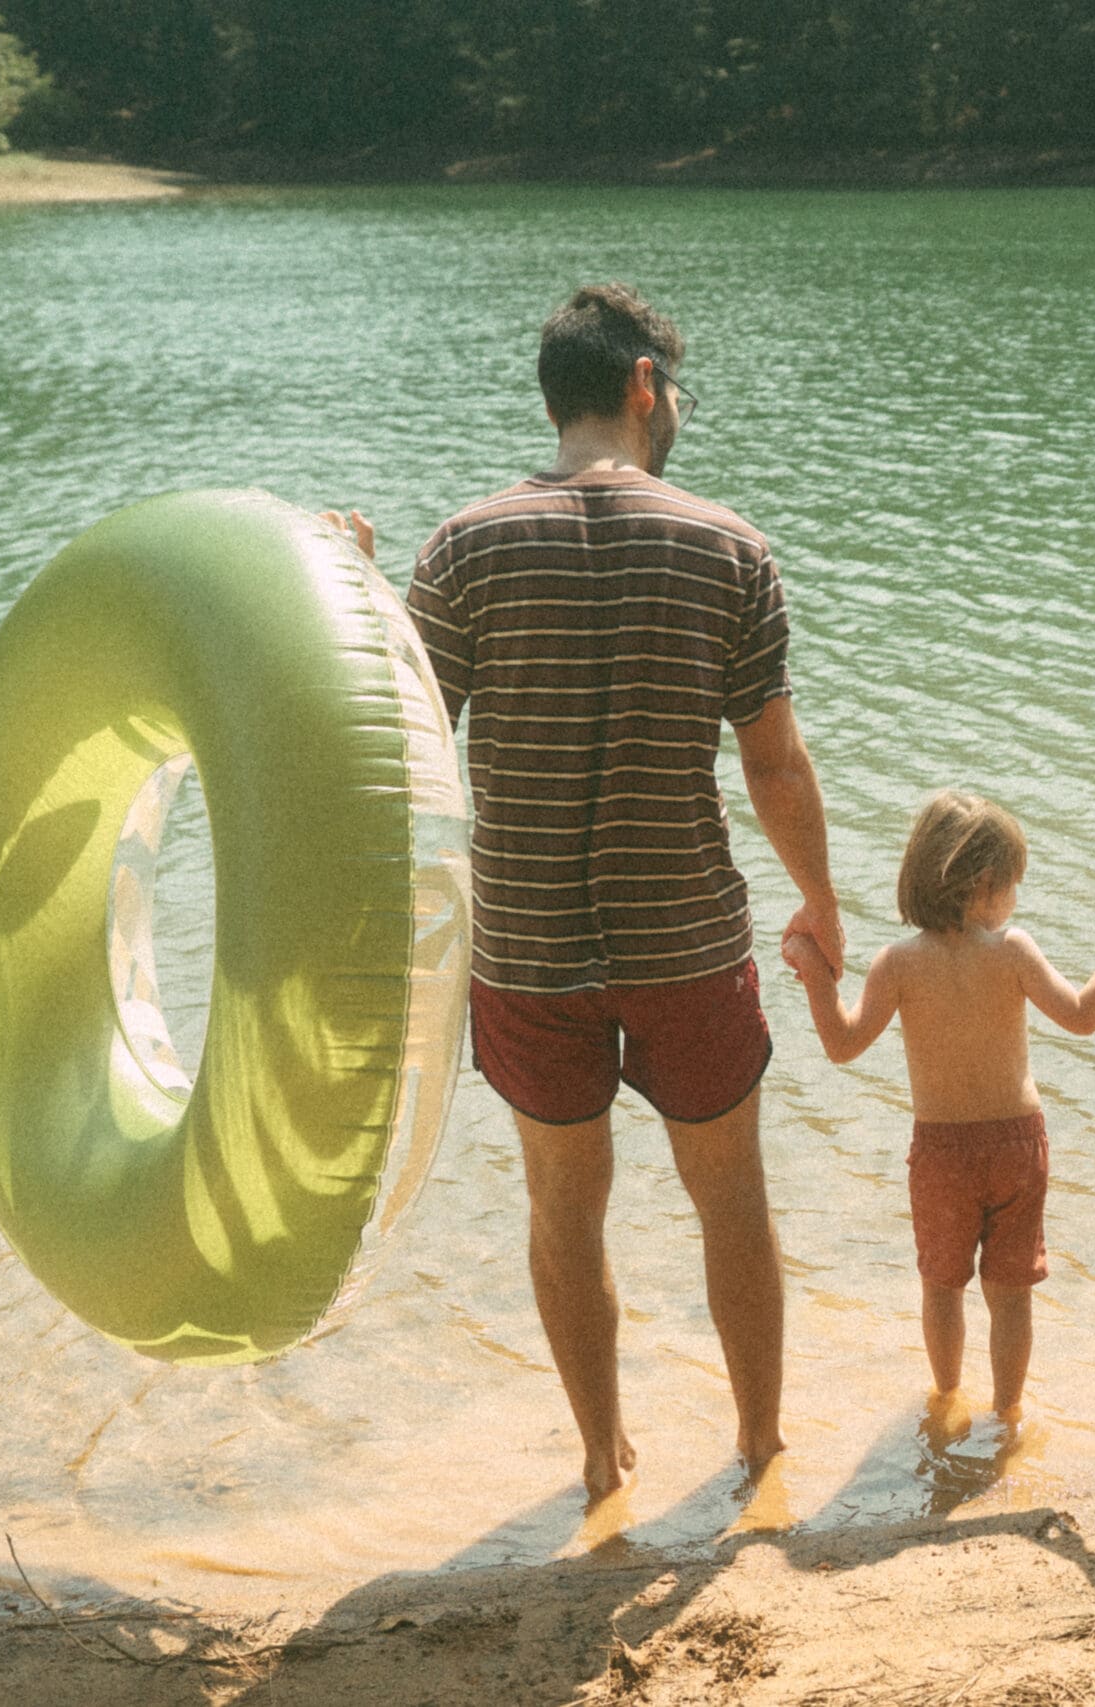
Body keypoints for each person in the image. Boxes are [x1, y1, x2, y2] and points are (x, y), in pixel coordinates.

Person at [336, 283, 838, 1500]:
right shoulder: (729, 546)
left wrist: (357, 603)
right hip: (687, 936)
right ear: (642, 388)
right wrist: (820, 899)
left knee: (565, 1211)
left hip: (526, 945)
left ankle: (601, 1461)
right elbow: (772, 763)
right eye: (675, 391)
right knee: (732, 1201)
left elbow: (404, 740)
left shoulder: (460, 549)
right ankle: (761, 1445)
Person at [780, 792, 1095, 1422]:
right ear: (986, 882)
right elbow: (1083, 1016)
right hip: (1019, 1146)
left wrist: (814, 967)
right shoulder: (1014, 950)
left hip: (941, 1154)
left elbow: (841, 1043)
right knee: (1011, 1293)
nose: (1015, 899)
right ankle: (1008, 1415)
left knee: (942, 1287)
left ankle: (945, 1403)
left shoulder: (897, 963)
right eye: (1014, 883)